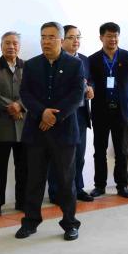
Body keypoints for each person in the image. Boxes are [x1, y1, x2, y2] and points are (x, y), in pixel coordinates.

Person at [17, 22, 86, 241]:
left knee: (66, 181)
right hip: (36, 132)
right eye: (43, 37)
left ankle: (70, 223)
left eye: (51, 37)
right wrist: (42, 113)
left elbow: (77, 95)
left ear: (61, 40)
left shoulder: (75, 64)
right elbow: (25, 93)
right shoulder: (31, 65)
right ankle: (30, 222)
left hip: (64, 133)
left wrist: (54, 116)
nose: (46, 41)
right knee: (34, 180)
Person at [88, 22, 128, 198]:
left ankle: (122, 186)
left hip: (121, 111)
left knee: (122, 151)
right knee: (99, 151)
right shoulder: (93, 59)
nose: (113, 39)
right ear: (101, 37)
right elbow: (90, 81)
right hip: (100, 111)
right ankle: (99, 186)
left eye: (116, 36)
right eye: (109, 36)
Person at [48, 25, 95, 203]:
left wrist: (90, 88)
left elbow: (90, 81)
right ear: (62, 40)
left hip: (81, 114)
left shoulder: (84, 60)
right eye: (71, 37)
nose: (76, 41)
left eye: (78, 37)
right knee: (58, 157)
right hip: (61, 115)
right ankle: (55, 192)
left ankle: (78, 188)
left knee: (79, 156)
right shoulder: (54, 60)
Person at [0, 32, 26, 217]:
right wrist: (12, 107)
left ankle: (22, 201)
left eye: (15, 43)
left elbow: (32, 92)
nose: (11, 46)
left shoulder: (28, 67)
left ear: (19, 46)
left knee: (24, 167)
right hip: (0, 125)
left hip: (23, 125)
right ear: (1, 46)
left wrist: (20, 105)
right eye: (7, 43)